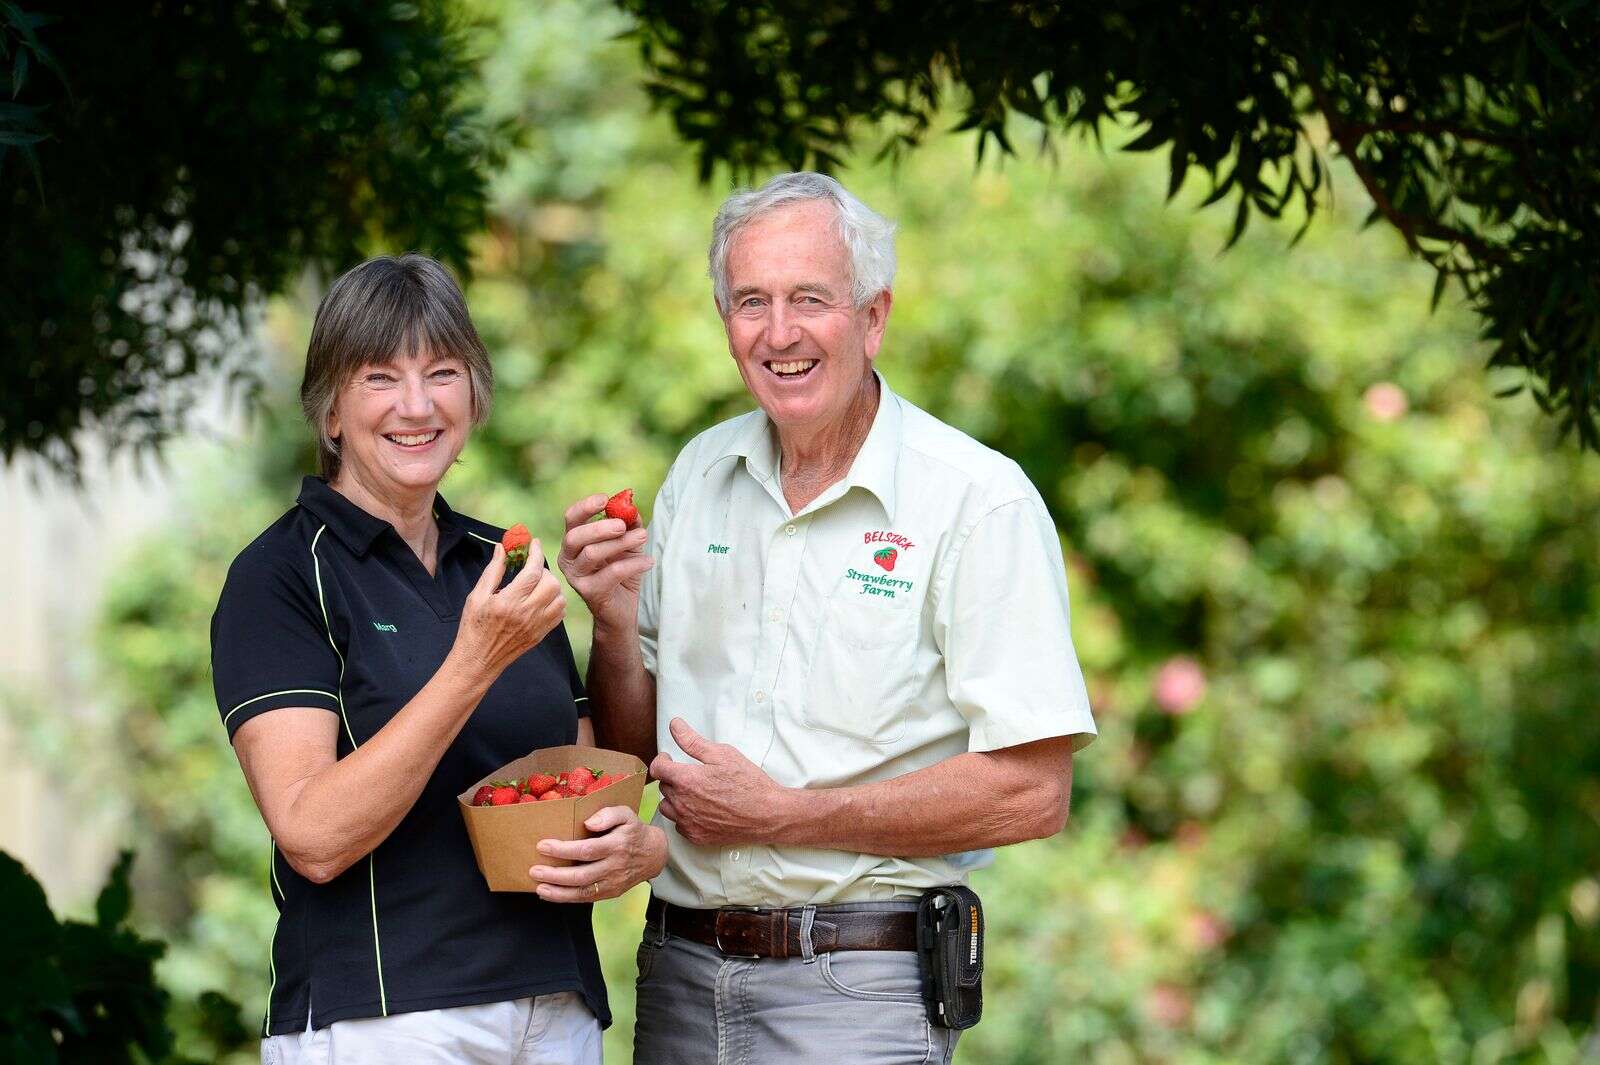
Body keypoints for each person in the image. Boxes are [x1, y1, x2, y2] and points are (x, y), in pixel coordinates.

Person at [556, 172, 1098, 1064]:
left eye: (810, 298)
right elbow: (631, 748)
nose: (779, 333)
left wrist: (783, 813)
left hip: (859, 987)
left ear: (873, 316)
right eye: (751, 302)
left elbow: (1035, 791)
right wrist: (612, 622)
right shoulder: (698, 474)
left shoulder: (975, 499)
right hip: (678, 968)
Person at [210, 254, 666, 1065]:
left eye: (443, 373)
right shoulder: (279, 575)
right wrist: (471, 663)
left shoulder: (505, 564)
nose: (417, 405)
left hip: (556, 1007)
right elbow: (313, 835)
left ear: (475, 396)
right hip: (387, 1020)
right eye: (380, 377)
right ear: (331, 411)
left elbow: (599, 772)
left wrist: (615, 620)